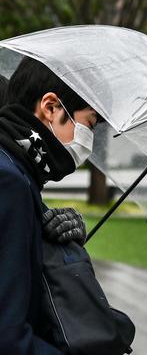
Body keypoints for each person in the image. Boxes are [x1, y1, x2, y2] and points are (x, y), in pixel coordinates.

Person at [0, 56, 100, 354]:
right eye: (89, 124)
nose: (89, 141)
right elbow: (8, 337)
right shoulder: (10, 181)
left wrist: (55, 244)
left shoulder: (17, 171)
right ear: (51, 107)